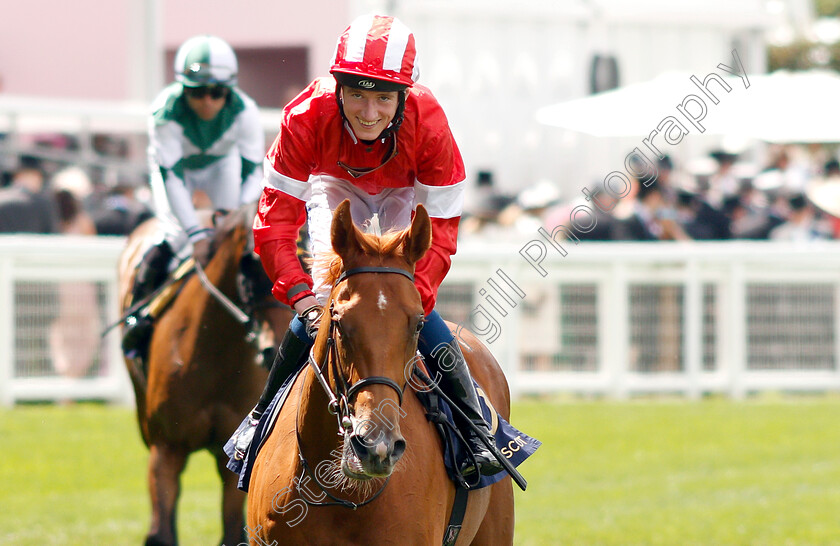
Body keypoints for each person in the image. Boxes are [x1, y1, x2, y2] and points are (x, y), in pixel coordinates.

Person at [231, 15, 503, 477]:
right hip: (332, 185)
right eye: (356, 93)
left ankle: (475, 426)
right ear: (337, 89)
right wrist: (299, 295)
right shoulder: (305, 115)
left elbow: (441, 233)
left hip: (404, 191)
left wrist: (410, 296)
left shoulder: (430, 122)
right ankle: (259, 422)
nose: (369, 111)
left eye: (383, 96)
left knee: (398, 299)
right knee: (325, 300)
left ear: (404, 96)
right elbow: (275, 220)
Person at [121, 35, 266, 360]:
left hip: (221, 166)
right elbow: (172, 178)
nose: (207, 102)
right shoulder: (165, 112)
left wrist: (232, 217)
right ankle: (139, 313)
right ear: (182, 89)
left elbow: (253, 173)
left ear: (229, 90)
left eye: (216, 92)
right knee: (174, 234)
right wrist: (197, 234)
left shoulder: (246, 112)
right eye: (196, 92)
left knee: (237, 237)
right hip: (178, 171)